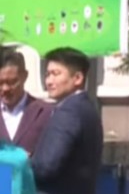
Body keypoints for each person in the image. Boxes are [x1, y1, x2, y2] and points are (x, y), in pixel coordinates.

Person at [31, 48, 103, 194]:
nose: (49, 81)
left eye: (56, 74)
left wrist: (22, 162)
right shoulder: (87, 108)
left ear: (77, 78)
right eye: (47, 74)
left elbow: (46, 167)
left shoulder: (68, 112)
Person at [0, 50, 52, 156]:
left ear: (25, 76)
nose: (5, 88)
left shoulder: (45, 113)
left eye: (12, 82)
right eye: (0, 83)